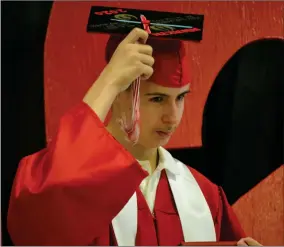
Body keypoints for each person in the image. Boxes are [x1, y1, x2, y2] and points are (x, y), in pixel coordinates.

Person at [7, 28, 262, 246]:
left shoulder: (205, 196)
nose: (173, 117)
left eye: (181, 97)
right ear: (118, 94)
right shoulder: (73, 185)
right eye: (157, 99)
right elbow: (37, 229)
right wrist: (108, 81)